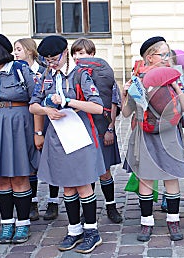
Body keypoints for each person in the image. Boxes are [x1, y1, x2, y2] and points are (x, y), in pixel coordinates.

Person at [29, 35, 105, 253]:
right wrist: (46, 110)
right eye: (47, 60)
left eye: (54, 59)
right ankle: (74, 230)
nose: (51, 63)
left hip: (79, 135)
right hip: (58, 137)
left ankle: (92, 231)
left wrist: (68, 102)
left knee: (82, 184)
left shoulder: (80, 74)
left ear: (65, 53)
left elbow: (97, 107)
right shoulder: (46, 76)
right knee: (67, 185)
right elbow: (33, 106)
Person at [122, 36, 184, 242]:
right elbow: (126, 113)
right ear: (150, 57)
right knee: (146, 178)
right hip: (145, 133)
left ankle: (173, 220)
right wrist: (125, 93)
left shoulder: (173, 77)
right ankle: (146, 222)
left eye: (169, 54)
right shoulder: (138, 79)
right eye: (164, 54)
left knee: (171, 177)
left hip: (169, 133)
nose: (168, 58)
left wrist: (176, 85)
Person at [70, 38, 122, 223]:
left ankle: (111, 206)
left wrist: (110, 128)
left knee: (104, 171)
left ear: (92, 54)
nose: (78, 57)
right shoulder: (73, 75)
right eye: (75, 53)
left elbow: (113, 103)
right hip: (83, 128)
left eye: (82, 53)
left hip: (102, 126)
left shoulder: (104, 73)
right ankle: (87, 207)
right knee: (87, 170)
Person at [0, 33, 43, 244]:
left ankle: (23, 223)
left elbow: (35, 101)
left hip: (18, 126)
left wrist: (37, 132)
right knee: (0, 178)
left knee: (19, 176)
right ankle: (7, 223)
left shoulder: (18, 69)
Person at [13, 38, 60, 222]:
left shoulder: (43, 71)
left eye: (18, 49)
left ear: (30, 51)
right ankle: (32, 201)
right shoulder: (14, 71)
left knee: (50, 161)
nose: (15, 53)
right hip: (26, 121)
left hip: (47, 120)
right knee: (30, 163)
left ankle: (53, 201)